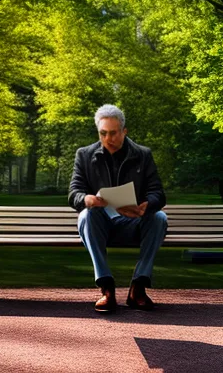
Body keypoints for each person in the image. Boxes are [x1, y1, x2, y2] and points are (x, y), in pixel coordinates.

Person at [69, 104, 168, 313]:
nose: (108, 138)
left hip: (134, 222)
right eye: (103, 133)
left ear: (124, 131)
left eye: (113, 133)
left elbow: (158, 193)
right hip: (100, 225)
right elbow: (74, 193)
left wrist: (147, 205)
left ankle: (138, 287)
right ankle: (106, 288)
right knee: (86, 215)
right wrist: (86, 199)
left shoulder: (143, 155)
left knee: (159, 217)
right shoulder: (84, 155)